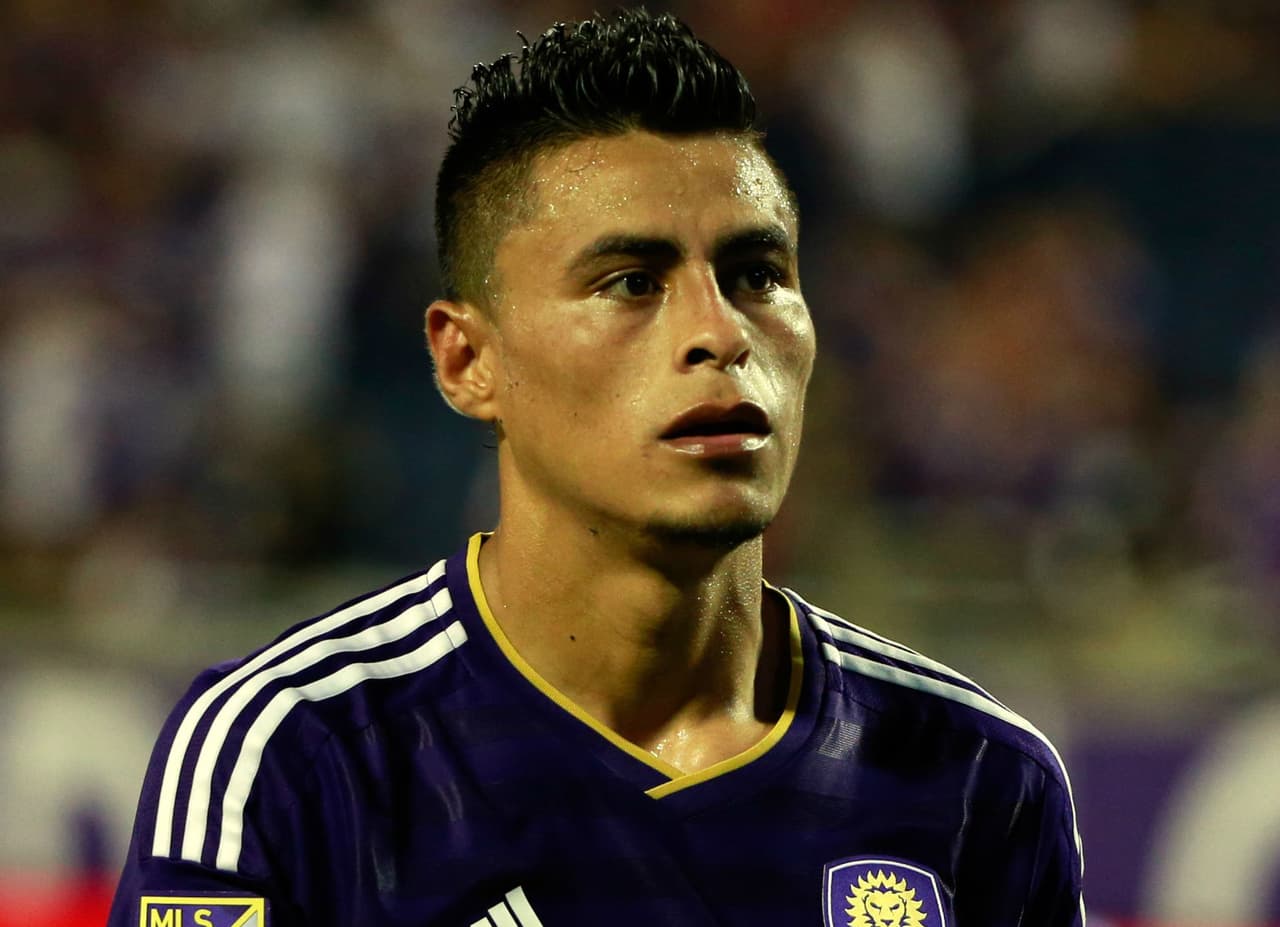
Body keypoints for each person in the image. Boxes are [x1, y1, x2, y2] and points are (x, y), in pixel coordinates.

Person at [109, 10, 1085, 926]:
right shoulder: (294, 755)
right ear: (467, 360)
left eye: (757, 275)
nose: (719, 334)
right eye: (631, 282)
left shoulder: (980, 778)